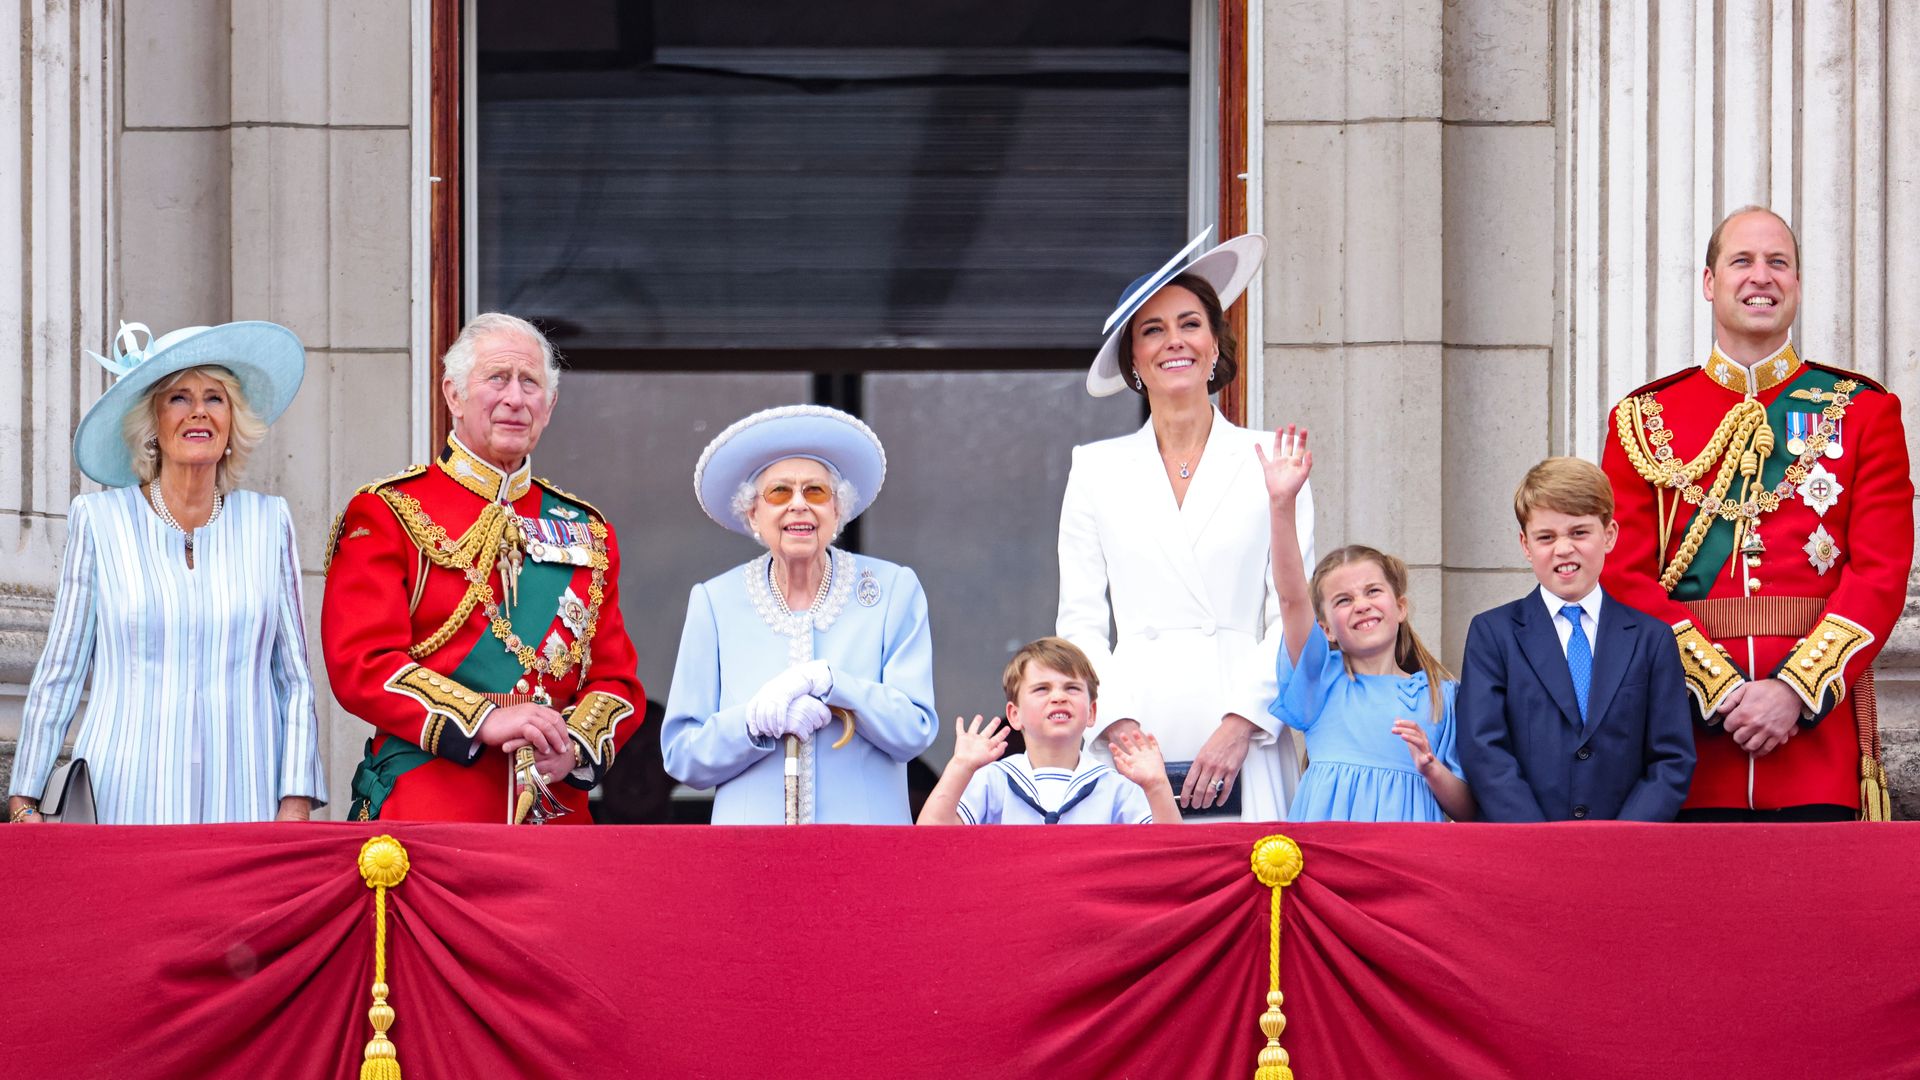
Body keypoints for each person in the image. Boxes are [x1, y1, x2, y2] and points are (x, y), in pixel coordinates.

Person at [1599, 207, 1913, 821]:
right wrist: (1718, 690)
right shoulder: (1643, 418)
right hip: (1683, 748)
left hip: (1814, 750)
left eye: (1779, 263)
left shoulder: (1864, 412)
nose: (1760, 277)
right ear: (1711, 282)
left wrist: (1794, 693)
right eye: (1742, 261)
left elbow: (1880, 573)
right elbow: (1621, 573)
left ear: (1797, 283)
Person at [322, 313, 643, 823]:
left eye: (530, 383)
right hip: (429, 805)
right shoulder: (389, 511)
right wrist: (484, 719)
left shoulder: (587, 529)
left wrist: (574, 747)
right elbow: (362, 663)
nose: (515, 399)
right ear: (453, 395)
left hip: (554, 814)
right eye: (497, 378)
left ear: (550, 405)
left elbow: (616, 682)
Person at [7, 321, 326, 824]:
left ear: (232, 423)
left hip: (245, 794)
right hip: (125, 793)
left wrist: (296, 797)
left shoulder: (270, 522)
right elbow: (61, 669)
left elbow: (294, 677)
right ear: (153, 422)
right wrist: (24, 798)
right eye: (179, 397)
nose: (198, 410)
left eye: (214, 398)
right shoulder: (100, 521)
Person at [1057, 229, 1314, 821]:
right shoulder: (1093, 469)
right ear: (1135, 363)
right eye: (1153, 330)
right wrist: (1118, 722)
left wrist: (1243, 724)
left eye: (1190, 323)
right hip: (1133, 730)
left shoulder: (1275, 457)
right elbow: (1081, 620)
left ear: (1216, 346)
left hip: (1243, 727)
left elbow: (1290, 614)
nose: (1174, 341)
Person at [661, 405, 939, 823]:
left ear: (838, 511)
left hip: (865, 848)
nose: (798, 506)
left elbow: (913, 730)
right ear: (753, 513)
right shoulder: (715, 602)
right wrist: (753, 723)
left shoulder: (892, 590)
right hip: (749, 852)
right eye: (778, 493)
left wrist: (835, 684)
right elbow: (683, 757)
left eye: (815, 492)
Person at [1456, 457, 1695, 822]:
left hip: (1624, 849)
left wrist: (1622, 839)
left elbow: (1671, 757)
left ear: (1609, 535)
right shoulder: (1493, 634)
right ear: (1525, 544)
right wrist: (1540, 840)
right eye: (1546, 537)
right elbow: (1484, 748)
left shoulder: (1651, 639)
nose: (1563, 549)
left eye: (1579, 532)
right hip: (1525, 847)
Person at [1259, 426, 1471, 822]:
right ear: (1325, 628)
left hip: (1408, 859)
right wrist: (1281, 504)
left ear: (1401, 606)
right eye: (1343, 600)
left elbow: (1468, 807)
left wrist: (1431, 769)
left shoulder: (1442, 695)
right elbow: (1291, 597)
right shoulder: (1320, 680)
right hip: (1329, 857)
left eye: (1373, 591)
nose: (1361, 605)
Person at [917, 637, 1181, 825]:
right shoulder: (993, 780)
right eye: (1042, 689)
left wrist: (1157, 786)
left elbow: (1169, 857)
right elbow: (930, 836)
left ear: (1092, 713)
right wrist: (960, 766)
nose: (1058, 697)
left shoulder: (1115, 786)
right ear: (1014, 715)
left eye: (1072, 688)